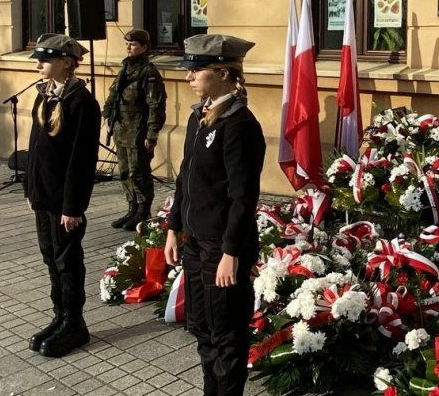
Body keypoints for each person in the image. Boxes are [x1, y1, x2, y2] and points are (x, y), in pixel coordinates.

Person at [164, 34, 265, 396]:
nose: (189, 77)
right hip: (196, 244)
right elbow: (185, 177)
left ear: (223, 72)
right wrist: (174, 228)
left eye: (197, 70)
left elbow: (243, 197)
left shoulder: (239, 125)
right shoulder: (199, 116)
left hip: (223, 249)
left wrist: (230, 253)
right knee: (203, 330)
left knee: (226, 336)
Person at [23, 34, 101, 357]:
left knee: (67, 261)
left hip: (64, 204)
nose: (39, 64)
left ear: (66, 62)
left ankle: (74, 323)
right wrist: (31, 188)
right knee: (49, 256)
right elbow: (35, 148)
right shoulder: (45, 95)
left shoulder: (81, 102)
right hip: (44, 197)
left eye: (45, 59)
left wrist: (73, 206)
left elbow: (81, 162)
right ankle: (60, 317)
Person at [103, 29, 167, 231]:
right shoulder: (125, 69)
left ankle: (143, 211)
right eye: (127, 44)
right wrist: (107, 117)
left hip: (138, 130)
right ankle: (132, 208)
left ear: (144, 47)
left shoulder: (148, 73)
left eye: (133, 44)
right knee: (124, 172)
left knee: (138, 172)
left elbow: (156, 106)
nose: (128, 48)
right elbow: (113, 96)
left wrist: (152, 134)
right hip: (122, 128)